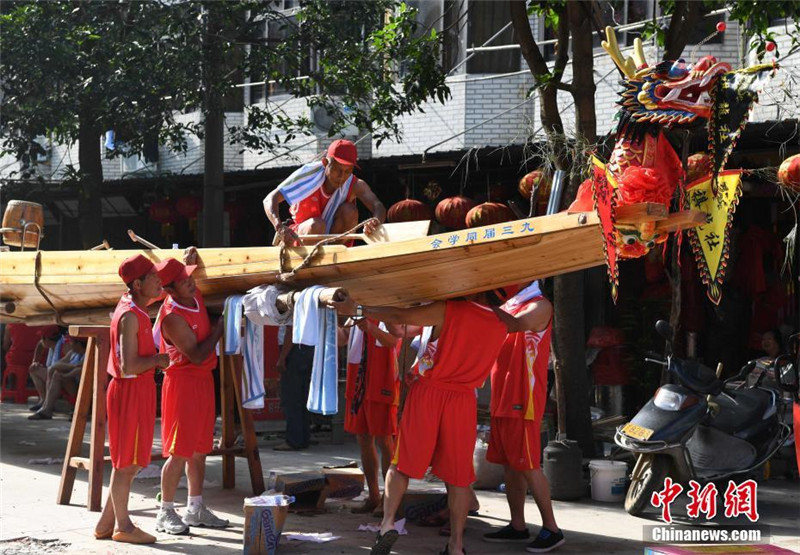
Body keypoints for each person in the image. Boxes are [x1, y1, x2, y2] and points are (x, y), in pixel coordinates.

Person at [332, 291, 519, 555]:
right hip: (464, 400)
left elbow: (399, 317)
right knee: (458, 477)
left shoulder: (449, 309)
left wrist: (359, 307)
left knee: (402, 465)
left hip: (430, 392)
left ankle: (387, 524)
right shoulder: (503, 321)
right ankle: (456, 545)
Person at [482, 282, 564, 553]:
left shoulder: (541, 305)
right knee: (510, 464)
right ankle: (517, 525)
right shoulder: (508, 304)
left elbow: (515, 325)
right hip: (502, 394)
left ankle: (552, 528)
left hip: (524, 397)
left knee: (528, 464)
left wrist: (482, 306)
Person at [94, 254, 170, 545]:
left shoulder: (133, 307)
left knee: (128, 462)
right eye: (153, 277)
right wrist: (159, 359)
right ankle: (123, 526)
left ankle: (106, 523)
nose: (159, 281)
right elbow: (129, 365)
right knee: (126, 464)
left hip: (136, 390)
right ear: (137, 284)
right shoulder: (129, 315)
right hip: (129, 391)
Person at [153, 255, 228, 534]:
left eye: (189, 276)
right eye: (184, 280)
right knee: (179, 451)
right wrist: (220, 327)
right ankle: (166, 511)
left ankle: (195, 508)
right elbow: (196, 355)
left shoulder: (192, 293)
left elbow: (190, 272)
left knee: (199, 449)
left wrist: (189, 256)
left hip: (203, 381)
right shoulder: (171, 316)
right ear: (169, 290)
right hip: (182, 382)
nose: (191, 281)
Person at [263, 139, 386, 246]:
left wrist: (375, 222)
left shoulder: (354, 184)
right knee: (317, 225)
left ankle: (333, 255)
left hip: (332, 239)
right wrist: (279, 227)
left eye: (347, 171)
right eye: (337, 169)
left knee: (350, 211)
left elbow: (378, 206)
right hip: (301, 235)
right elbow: (269, 199)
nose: (342, 176)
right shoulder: (308, 174)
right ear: (325, 163)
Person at [345, 318, 401, 514]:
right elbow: (343, 338)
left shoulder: (389, 306)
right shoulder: (357, 307)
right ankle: (373, 496)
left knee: (385, 440)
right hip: (358, 379)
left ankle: (389, 500)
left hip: (382, 379)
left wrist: (371, 327)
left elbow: (395, 339)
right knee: (363, 438)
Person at [28, 338, 86, 420]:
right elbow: (57, 364)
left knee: (57, 375)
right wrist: (73, 366)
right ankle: (45, 403)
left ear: (79, 345)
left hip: (82, 387)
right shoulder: (72, 353)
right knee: (40, 370)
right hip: (67, 381)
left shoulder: (87, 354)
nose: (69, 344)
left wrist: (66, 374)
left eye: (72, 342)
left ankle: (47, 408)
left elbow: (80, 369)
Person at [28, 328, 67, 411]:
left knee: (51, 372)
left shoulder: (63, 346)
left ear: (47, 339)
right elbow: (40, 344)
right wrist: (35, 361)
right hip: (54, 376)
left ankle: (47, 403)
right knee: (34, 369)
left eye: (43, 338)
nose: (42, 340)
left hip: (64, 378)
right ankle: (43, 400)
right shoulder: (52, 345)